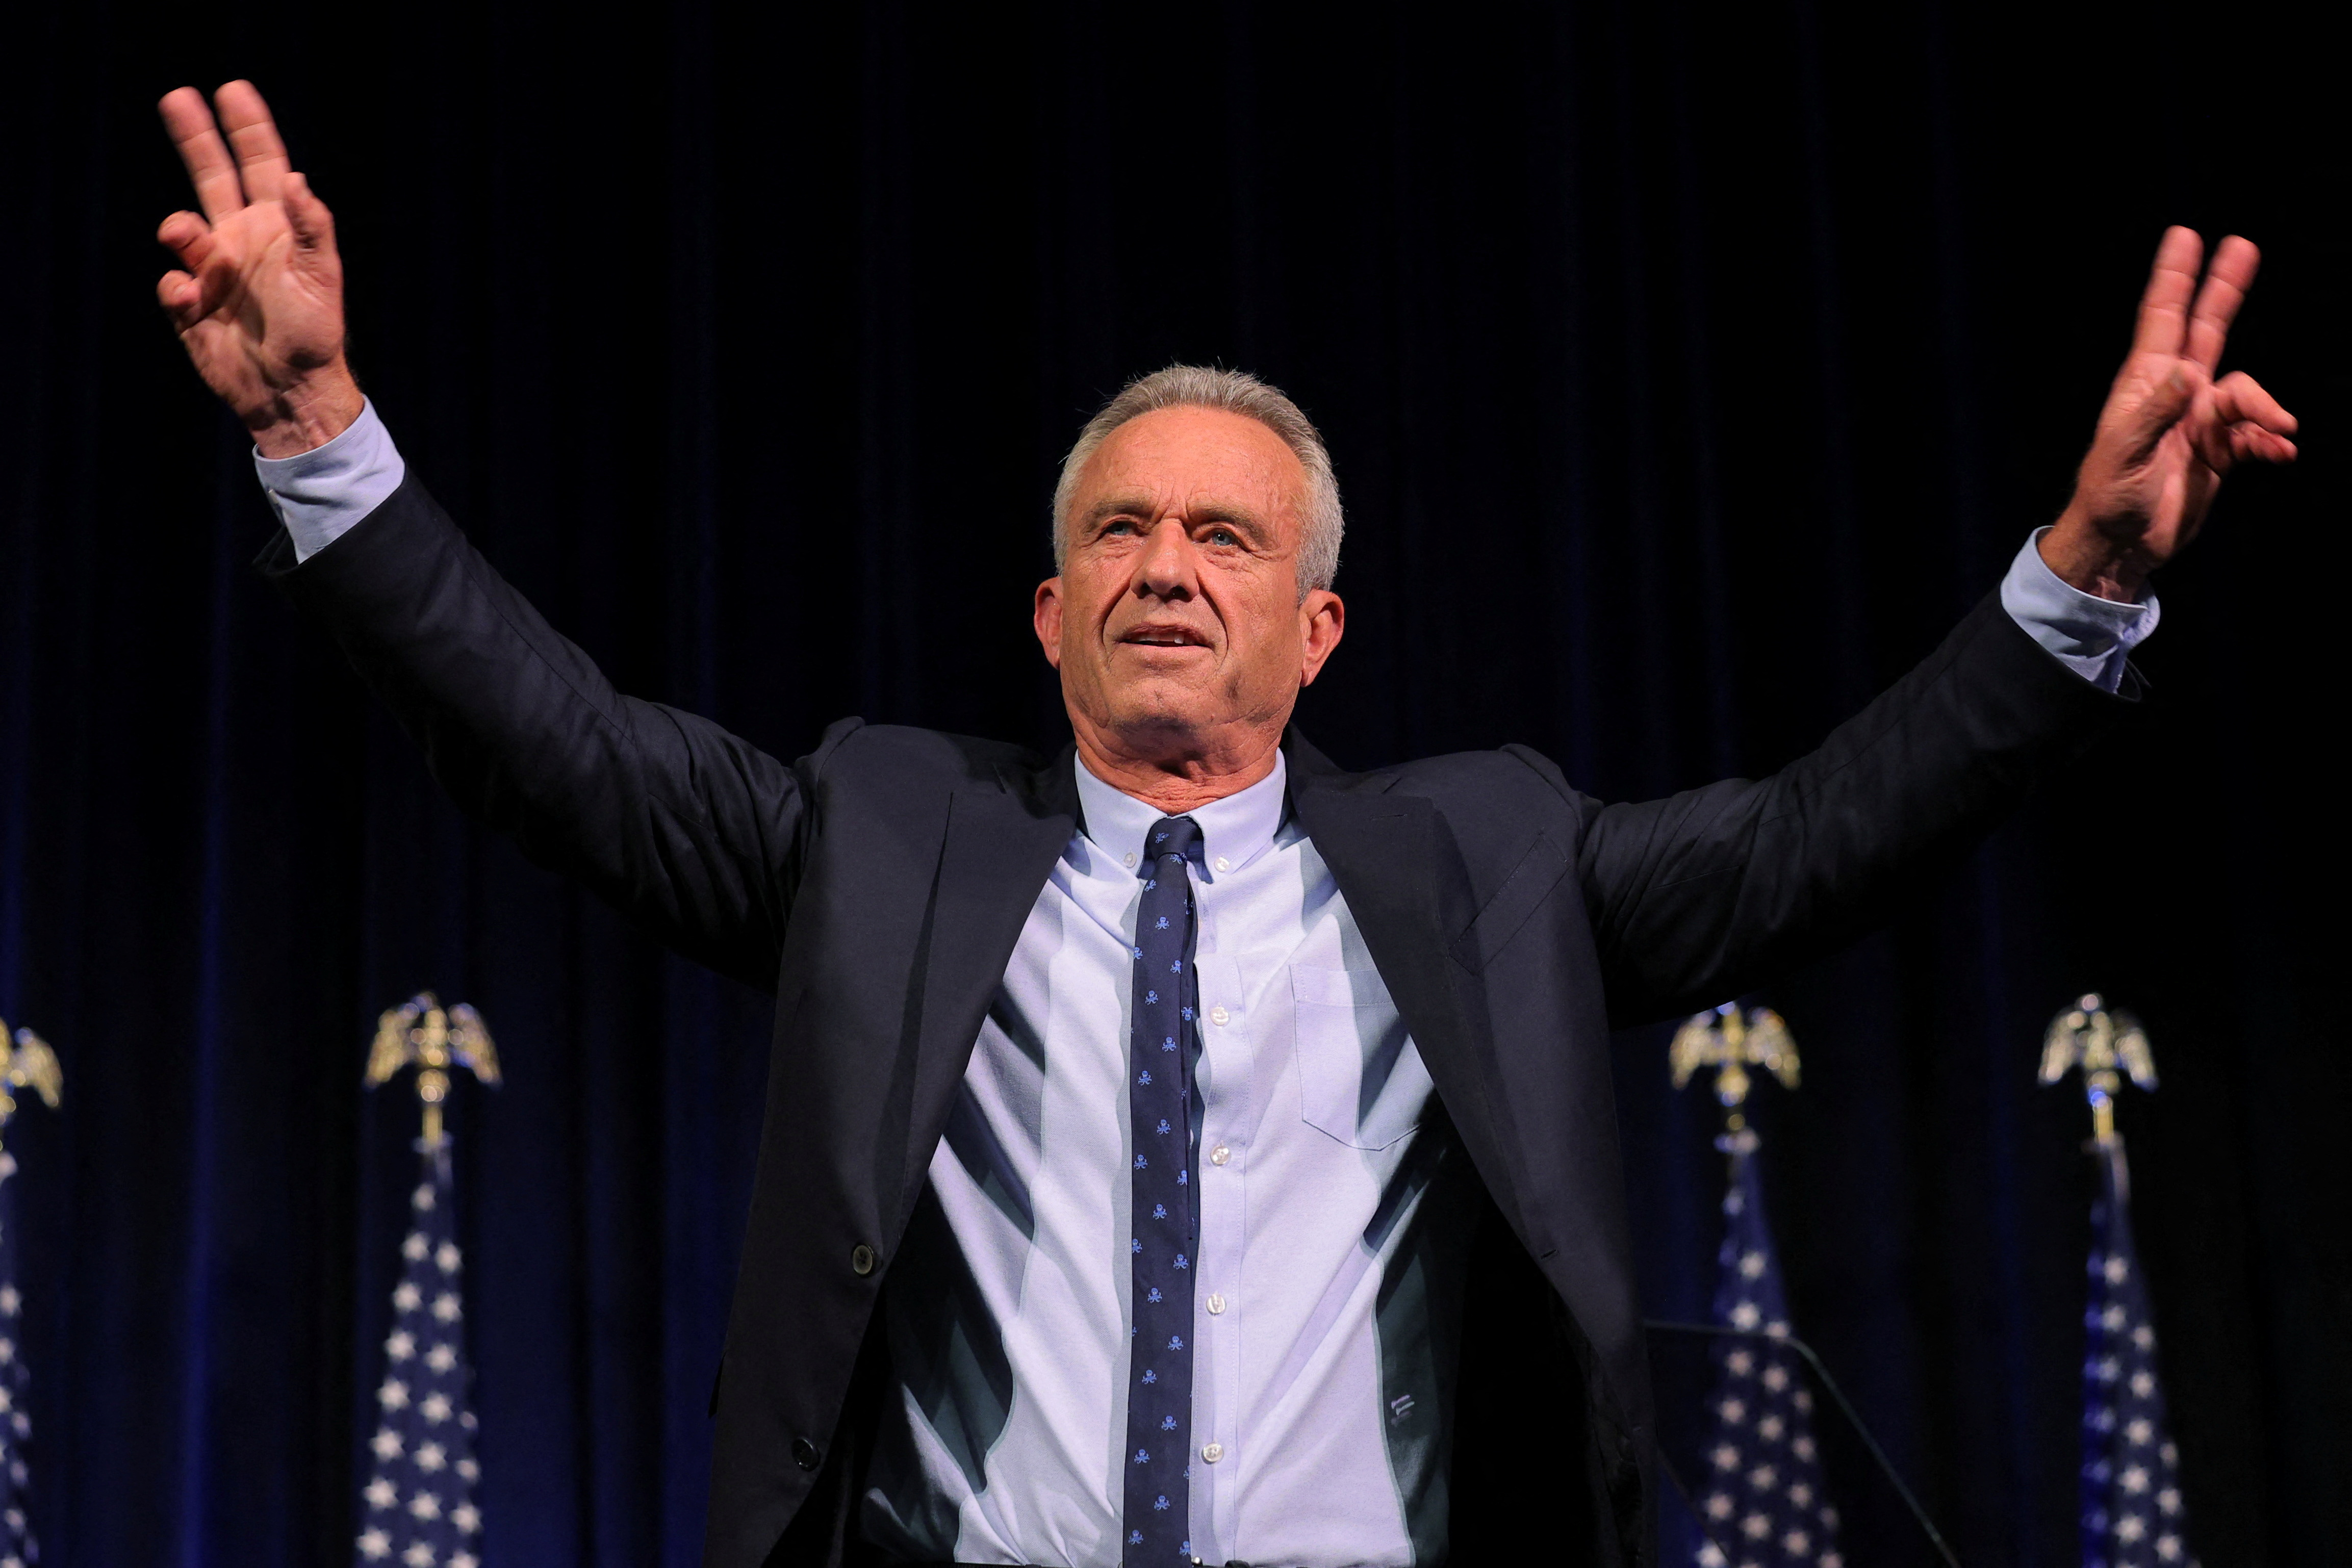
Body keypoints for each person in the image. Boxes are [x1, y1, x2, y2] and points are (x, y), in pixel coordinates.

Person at [153, 78, 2295, 1568]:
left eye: (1226, 538)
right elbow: (558, 738)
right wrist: (318, 433)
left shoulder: (1490, 862)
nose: (1169, 565)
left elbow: (1839, 828)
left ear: (1318, 623)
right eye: (1121, 530)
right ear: (1050, 609)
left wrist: (2080, 578)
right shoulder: (880, 835)